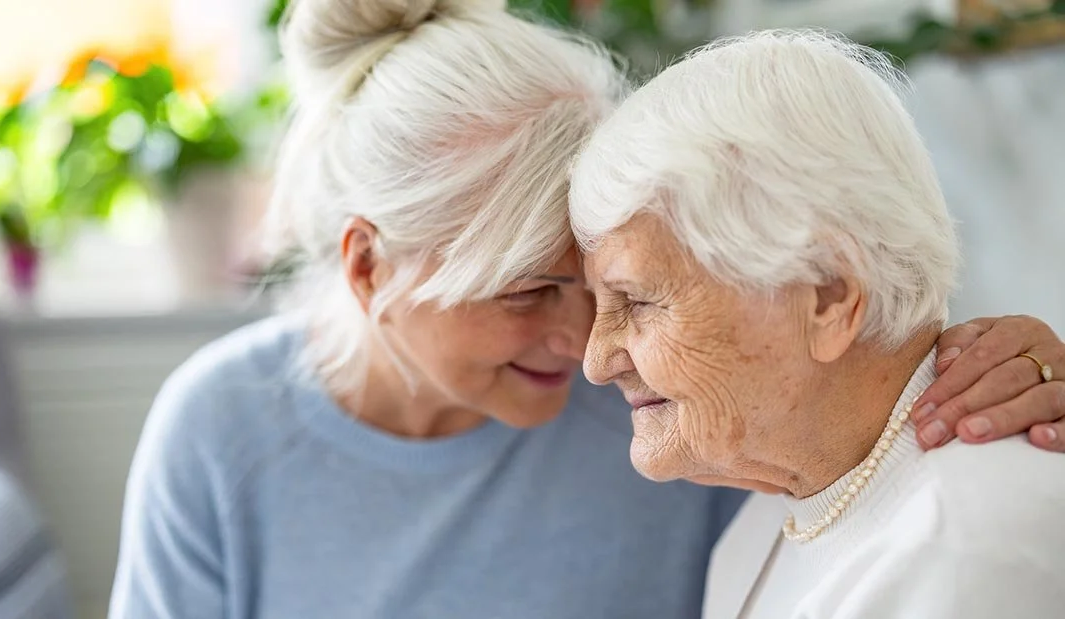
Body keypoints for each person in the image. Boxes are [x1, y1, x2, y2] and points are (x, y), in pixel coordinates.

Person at [110, 2, 1065, 617]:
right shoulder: (220, 433)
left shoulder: (659, 408)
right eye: (528, 291)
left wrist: (996, 357)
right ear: (368, 269)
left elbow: (859, 405)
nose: (583, 346)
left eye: (613, 293)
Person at [569, 29, 1065, 619]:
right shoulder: (775, 511)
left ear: (828, 297)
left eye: (639, 300)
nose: (596, 359)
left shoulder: (970, 544)